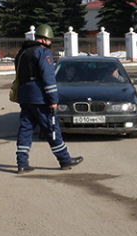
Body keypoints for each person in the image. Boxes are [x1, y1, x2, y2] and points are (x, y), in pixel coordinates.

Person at [13, 24, 84, 173]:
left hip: (24, 96)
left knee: (25, 129)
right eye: (50, 41)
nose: (51, 43)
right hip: (40, 98)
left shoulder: (22, 53)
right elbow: (48, 78)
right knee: (52, 128)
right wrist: (53, 99)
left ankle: (22, 163)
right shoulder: (42, 52)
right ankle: (65, 160)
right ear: (45, 40)